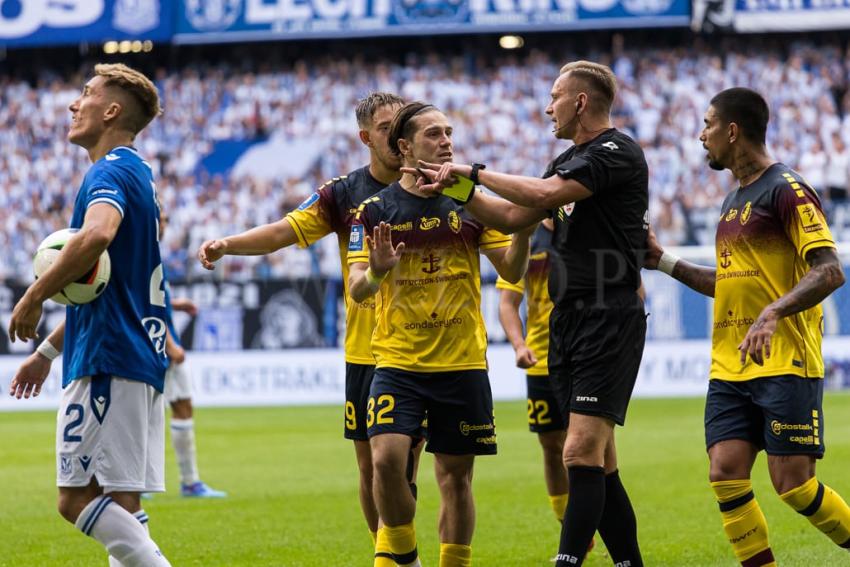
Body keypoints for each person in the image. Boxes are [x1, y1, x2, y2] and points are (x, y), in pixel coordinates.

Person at [409, 61, 648, 567]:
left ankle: (566, 562)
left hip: (608, 315)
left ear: (580, 102)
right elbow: (515, 215)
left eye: (555, 96)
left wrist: (470, 171)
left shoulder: (614, 151)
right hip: (569, 321)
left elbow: (540, 196)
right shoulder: (566, 162)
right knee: (600, 465)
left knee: (577, 453)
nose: (547, 107)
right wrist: (455, 189)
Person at [197, 92, 420, 563]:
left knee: (406, 467)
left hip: (424, 346)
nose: (397, 136)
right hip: (366, 350)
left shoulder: (434, 184)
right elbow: (284, 230)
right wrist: (227, 244)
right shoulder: (343, 194)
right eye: (385, 128)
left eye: (402, 125)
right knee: (373, 468)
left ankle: (397, 556)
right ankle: (392, 555)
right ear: (365, 137)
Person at [646, 87, 850, 566]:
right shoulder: (732, 199)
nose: (701, 136)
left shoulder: (787, 189)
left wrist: (774, 311)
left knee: (793, 485)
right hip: (731, 364)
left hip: (785, 360)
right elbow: (731, 283)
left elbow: (829, 269)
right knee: (725, 472)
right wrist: (663, 262)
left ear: (732, 131)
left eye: (707, 124)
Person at [347, 101, 533, 567]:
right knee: (387, 460)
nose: (446, 140)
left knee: (455, 478)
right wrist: (376, 271)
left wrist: (527, 225)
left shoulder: (468, 200)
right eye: (433, 134)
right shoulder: (372, 211)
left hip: (462, 362)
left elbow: (510, 266)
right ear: (404, 146)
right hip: (397, 362)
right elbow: (358, 291)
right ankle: (405, 553)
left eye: (448, 132)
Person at [8, 63, 172, 566]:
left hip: (108, 359)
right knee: (121, 499)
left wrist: (34, 294)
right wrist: (46, 352)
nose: (73, 104)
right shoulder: (140, 174)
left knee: (75, 499)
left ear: (112, 110)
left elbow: (96, 234)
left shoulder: (109, 171)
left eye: (85, 94)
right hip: (134, 355)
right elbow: (105, 289)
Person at [495, 219, 571, 523]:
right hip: (541, 359)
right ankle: (568, 523)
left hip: (585, 356)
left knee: (588, 445)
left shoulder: (586, 227)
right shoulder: (527, 237)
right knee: (552, 446)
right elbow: (507, 303)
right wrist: (518, 345)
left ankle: (591, 521)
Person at [160, 209, 227, 498]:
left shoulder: (147, 251)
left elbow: (149, 298)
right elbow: (135, 304)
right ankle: (187, 482)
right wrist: (168, 344)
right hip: (156, 344)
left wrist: (176, 303)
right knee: (170, 409)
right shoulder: (141, 251)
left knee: (169, 408)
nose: (165, 225)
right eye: (162, 219)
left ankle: (142, 482)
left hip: (155, 341)